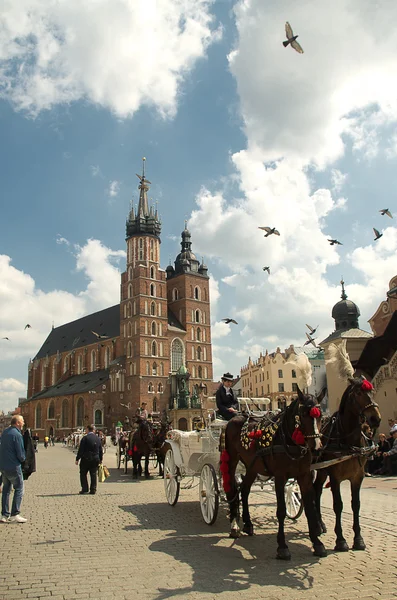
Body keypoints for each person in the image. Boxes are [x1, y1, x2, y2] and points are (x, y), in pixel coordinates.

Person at [0, 415, 27, 523]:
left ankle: (4, 515)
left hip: (3, 467)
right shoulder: (17, 434)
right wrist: (25, 459)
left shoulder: (5, 433)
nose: (23, 423)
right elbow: (20, 454)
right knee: (19, 488)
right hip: (14, 467)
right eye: (22, 421)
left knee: (6, 490)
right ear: (18, 423)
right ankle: (15, 513)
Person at [75, 424, 103, 495]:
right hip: (95, 459)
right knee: (93, 474)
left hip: (86, 459)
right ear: (93, 430)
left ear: (87, 429)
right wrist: (100, 459)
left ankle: (85, 489)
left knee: (83, 474)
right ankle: (93, 489)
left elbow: (81, 449)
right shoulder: (98, 438)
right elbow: (100, 450)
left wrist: (77, 459)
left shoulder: (85, 438)